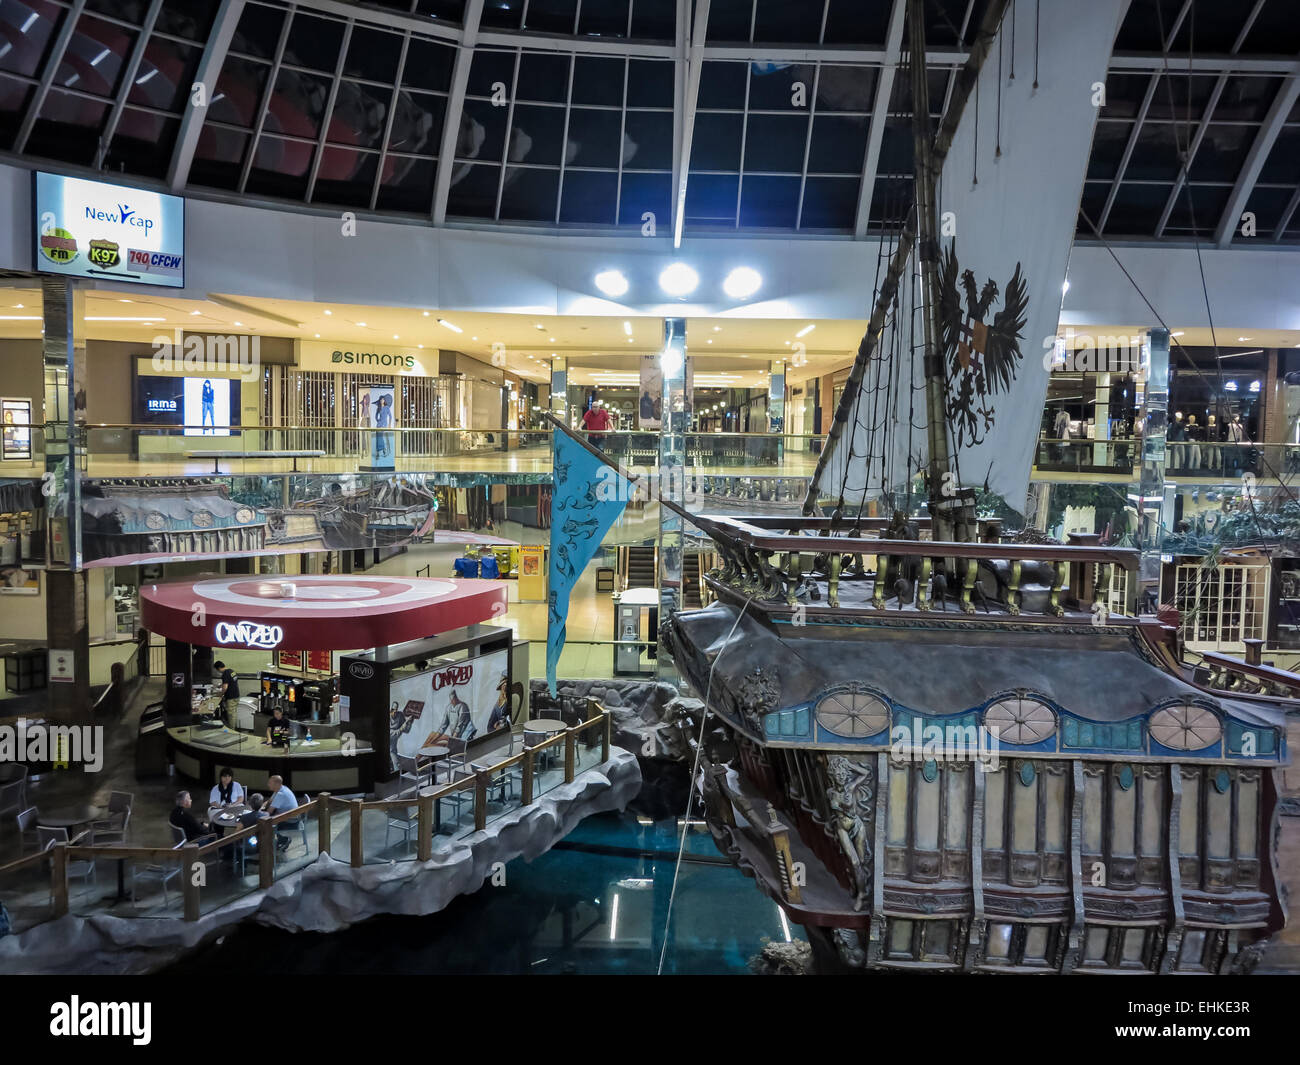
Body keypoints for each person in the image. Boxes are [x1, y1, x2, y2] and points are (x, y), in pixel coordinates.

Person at [265, 775, 299, 852]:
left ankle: (282, 841)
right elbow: (269, 801)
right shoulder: (281, 788)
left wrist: (259, 811)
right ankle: (281, 840)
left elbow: (268, 812)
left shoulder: (280, 794)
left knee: (266, 823)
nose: (268, 784)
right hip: (288, 816)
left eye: (270, 783)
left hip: (291, 821)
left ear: (277, 784)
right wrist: (264, 806)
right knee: (273, 816)